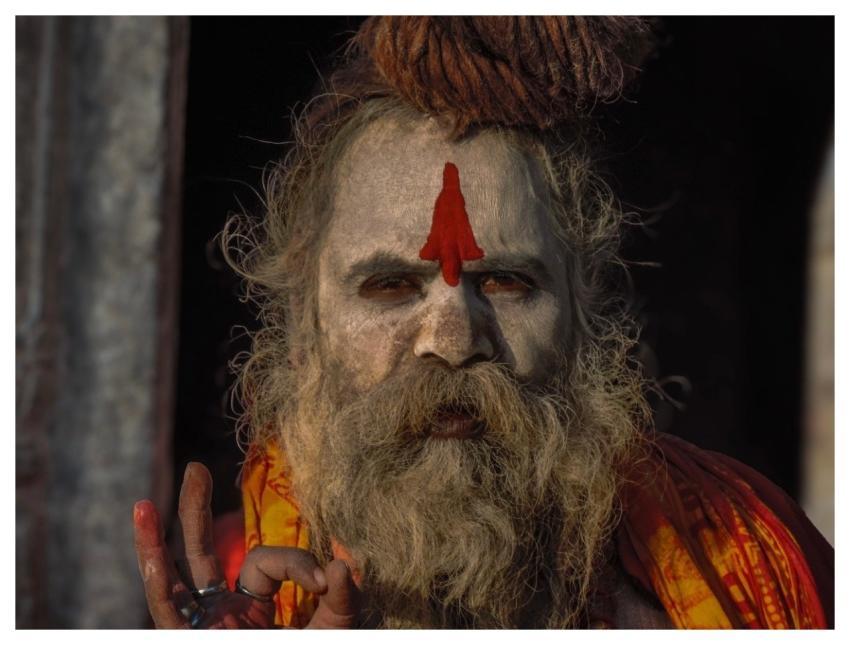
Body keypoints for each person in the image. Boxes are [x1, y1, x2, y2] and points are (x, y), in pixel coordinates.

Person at [133, 17, 833, 629]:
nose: (455, 338)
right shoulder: (232, 595)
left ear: (586, 319)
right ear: (300, 334)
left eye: (505, 280)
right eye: (388, 286)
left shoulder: (752, 564)